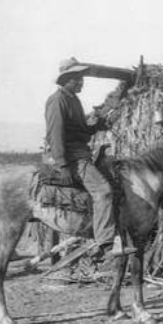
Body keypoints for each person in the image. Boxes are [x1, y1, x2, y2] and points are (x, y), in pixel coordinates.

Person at [45, 57, 134, 260]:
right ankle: (104, 244)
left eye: (81, 78)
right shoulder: (57, 100)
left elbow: (79, 130)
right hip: (73, 157)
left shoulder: (72, 99)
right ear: (64, 79)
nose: (80, 82)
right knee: (103, 192)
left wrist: (95, 127)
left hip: (81, 153)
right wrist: (63, 165)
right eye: (75, 78)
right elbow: (55, 134)